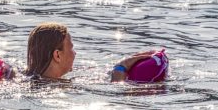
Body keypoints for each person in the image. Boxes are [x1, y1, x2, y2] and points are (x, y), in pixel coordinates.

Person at [25, 22, 159, 82]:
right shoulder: (57, 89)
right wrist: (120, 68)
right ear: (57, 55)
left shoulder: (23, 77)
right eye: (71, 48)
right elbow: (116, 96)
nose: (74, 53)